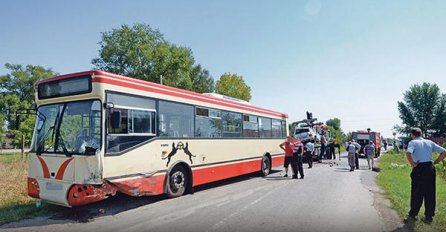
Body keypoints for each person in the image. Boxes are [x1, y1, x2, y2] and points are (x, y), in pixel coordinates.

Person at [405, 128, 446, 224]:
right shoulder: (429, 142)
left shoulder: (413, 142)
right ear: (421, 134)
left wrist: (413, 164)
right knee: (430, 192)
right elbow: (444, 151)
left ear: (412, 134)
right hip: (430, 168)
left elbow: (408, 153)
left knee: (417, 192)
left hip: (419, 168)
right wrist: (435, 162)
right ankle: (429, 216)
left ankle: (413, 214)